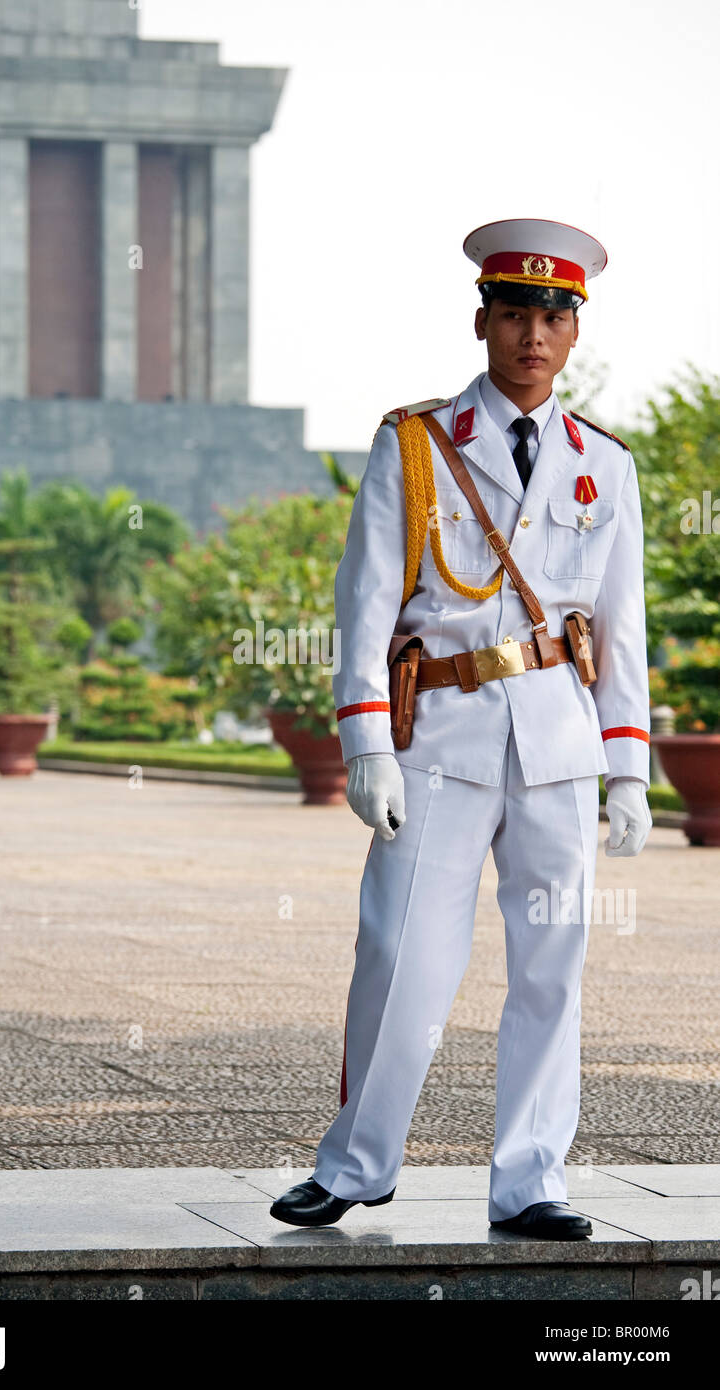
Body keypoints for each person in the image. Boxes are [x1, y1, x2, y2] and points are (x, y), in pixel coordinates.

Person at [270, 218, 652, 1238]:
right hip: (437, 735)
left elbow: (618, 626)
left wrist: (627, 767)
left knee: (549, 964)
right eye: (515, 313)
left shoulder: (601, 465)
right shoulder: (416, 441)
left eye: (553, 318)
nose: (533, 335)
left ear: (573, 335)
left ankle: (530, 1178)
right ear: (480, 320)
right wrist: (364, 744)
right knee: (400, 955)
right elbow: (363, 606)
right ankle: (357, 1163)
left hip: (559, 745)